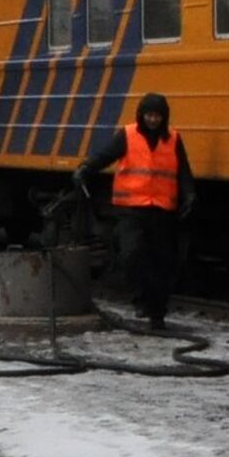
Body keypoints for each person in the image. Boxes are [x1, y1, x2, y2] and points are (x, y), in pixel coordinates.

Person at [77, 91, 194, 327]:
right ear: (142, 115)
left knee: (162, 263)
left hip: (161, 210)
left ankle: (157, 314)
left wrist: (189, 194)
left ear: (164, 117)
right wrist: (85, 169)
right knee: (132, 255)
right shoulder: (128, 135)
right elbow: (105, 156)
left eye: (158, 116)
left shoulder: (173, 139)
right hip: (132, 209)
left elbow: (183, 171)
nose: (153, 120)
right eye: (149, 115)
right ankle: (141, 300)